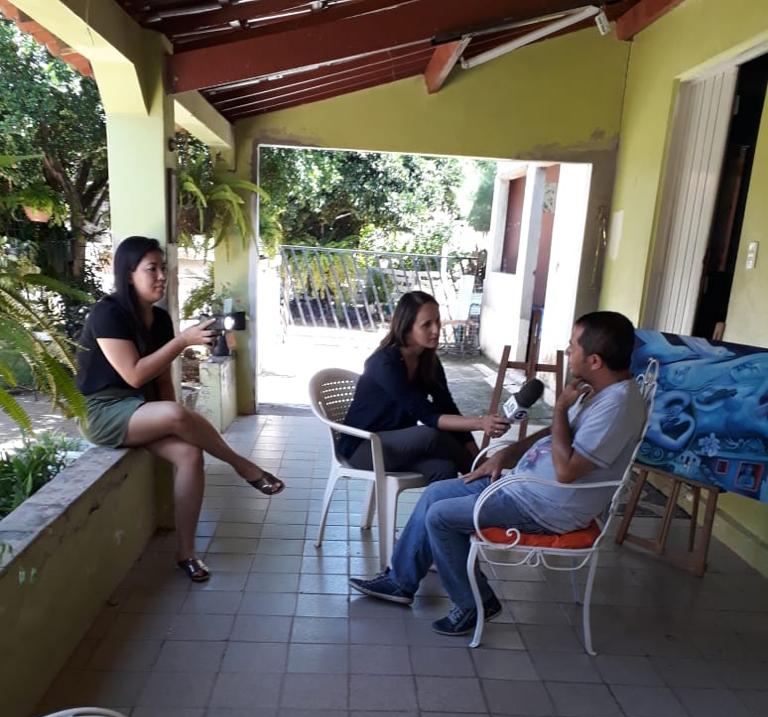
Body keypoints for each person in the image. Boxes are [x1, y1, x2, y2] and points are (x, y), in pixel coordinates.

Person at [349, 311, 647, 636]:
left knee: (441, 517)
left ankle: (475, 603)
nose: (567, 350)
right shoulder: (595, 391)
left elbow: (566, 471)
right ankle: (400, 582)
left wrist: (560, 407)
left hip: (545, 507)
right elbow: (555, 433)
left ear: (594, 361)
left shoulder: (617, 407)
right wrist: (507, 454)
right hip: (523, 487)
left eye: (573, 345)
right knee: (436, 492)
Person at [76, 235, 284, 583]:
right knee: (175, 415)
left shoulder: (159, 319)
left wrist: (171, 419)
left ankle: (186, 553)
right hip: (102, 411)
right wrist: (183, 342)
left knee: (189, 454)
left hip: (140, 408)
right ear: (129, 275)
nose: (162, 276)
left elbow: (161, 380)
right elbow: (134, 374)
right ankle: (242, 466)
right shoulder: (107, 313)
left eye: (164, 268)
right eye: (151, 269)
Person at [338, 290, 510, 481]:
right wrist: (480, 424)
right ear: (407, 326)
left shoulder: (428, 362)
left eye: (437, 321)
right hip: (364, 447)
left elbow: (448, 408)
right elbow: (427, 416)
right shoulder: (384, 363)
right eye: (426, 324)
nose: (436, 330)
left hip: (397, 446)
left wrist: (476, 454)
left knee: (445, 468)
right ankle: (489, 481)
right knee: (432, 435)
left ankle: (475, 484)